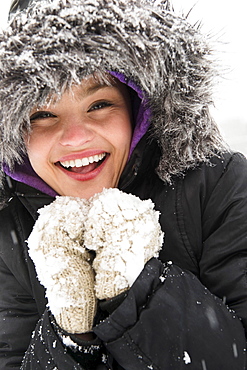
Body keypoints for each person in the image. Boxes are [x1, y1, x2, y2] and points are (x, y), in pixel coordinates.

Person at [0, 0, 247, 368]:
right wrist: (71, 335)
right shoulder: (13, 228)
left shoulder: (218, 186)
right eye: (44, 114)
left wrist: (136, 291)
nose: (75, 138)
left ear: (140, 106)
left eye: (98, 104)